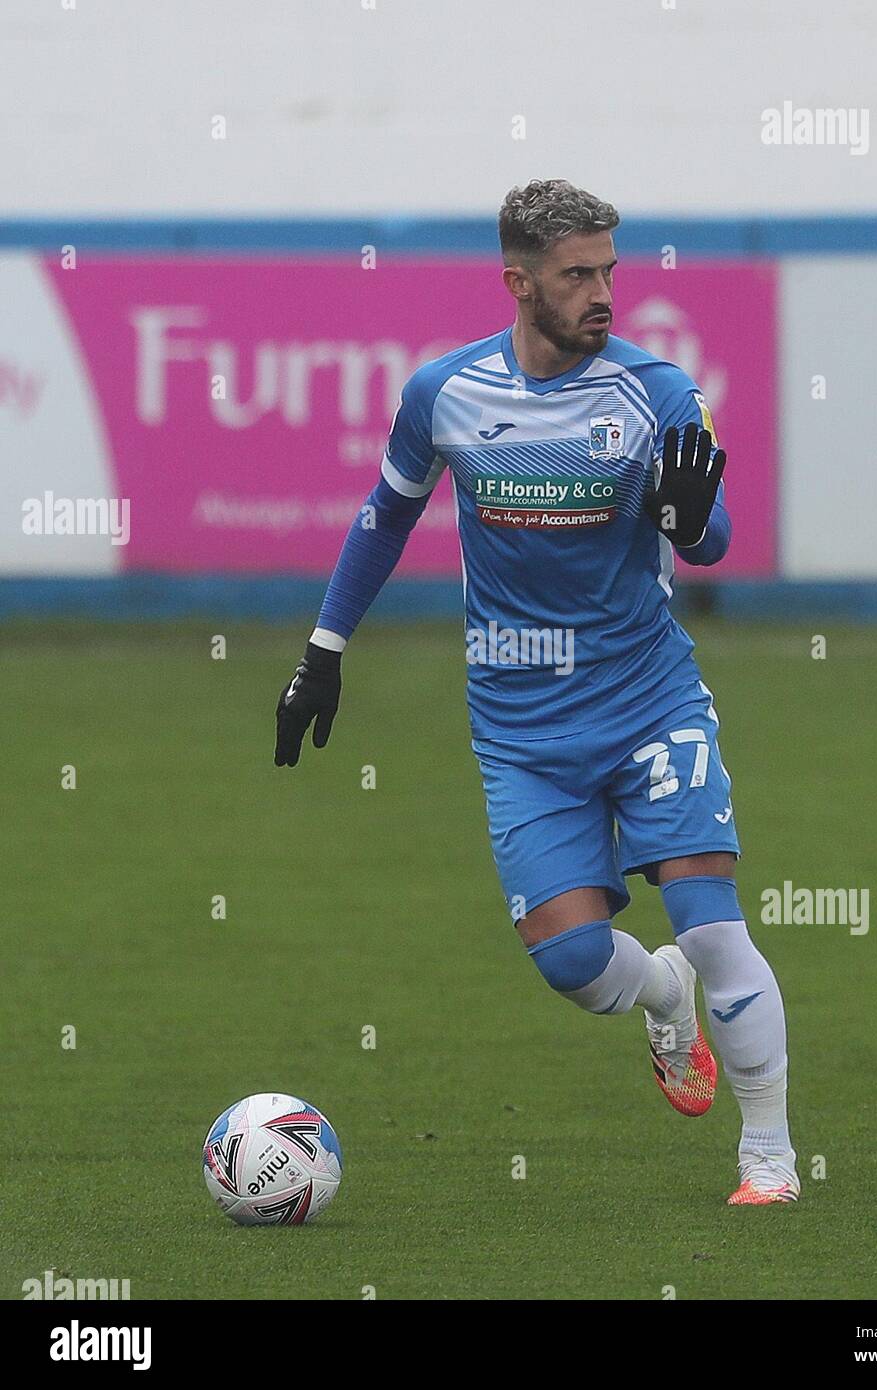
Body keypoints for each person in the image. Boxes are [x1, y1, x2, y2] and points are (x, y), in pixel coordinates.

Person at [275, 178, 797, 1205]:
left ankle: (768, 1155)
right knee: (572, 963)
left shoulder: (655, 391)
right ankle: (660, 999)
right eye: (576, 275)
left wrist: (691, 524)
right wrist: (325, 649)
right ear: (518, 280)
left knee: (709, 923)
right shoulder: (445, 394)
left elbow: (714, 536)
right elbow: (384, 517)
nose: (602, 292)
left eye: (609, 270)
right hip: (520, 728)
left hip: (649, 700)